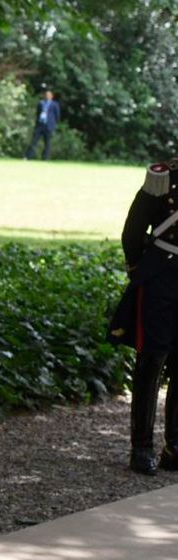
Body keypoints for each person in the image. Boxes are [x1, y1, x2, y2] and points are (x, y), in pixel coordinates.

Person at [108, 158, 178, 475]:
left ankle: (174, 447)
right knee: (151, 361)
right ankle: (142, 447)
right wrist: (138, 269)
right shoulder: (163, 178)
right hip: (162, 278)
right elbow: (133, 230)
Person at [24, 89, 61, 161]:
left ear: (51, 96)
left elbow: (57, 116)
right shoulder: (41, 103)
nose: (47, 96)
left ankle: (45, 158)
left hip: (49, 126)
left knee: (47, 142)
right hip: (40, 125)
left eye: (49, 95)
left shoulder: (55, 104)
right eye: (46, 95)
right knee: (34, 141)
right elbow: (37, 114)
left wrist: (53, 125)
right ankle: (28, 156)